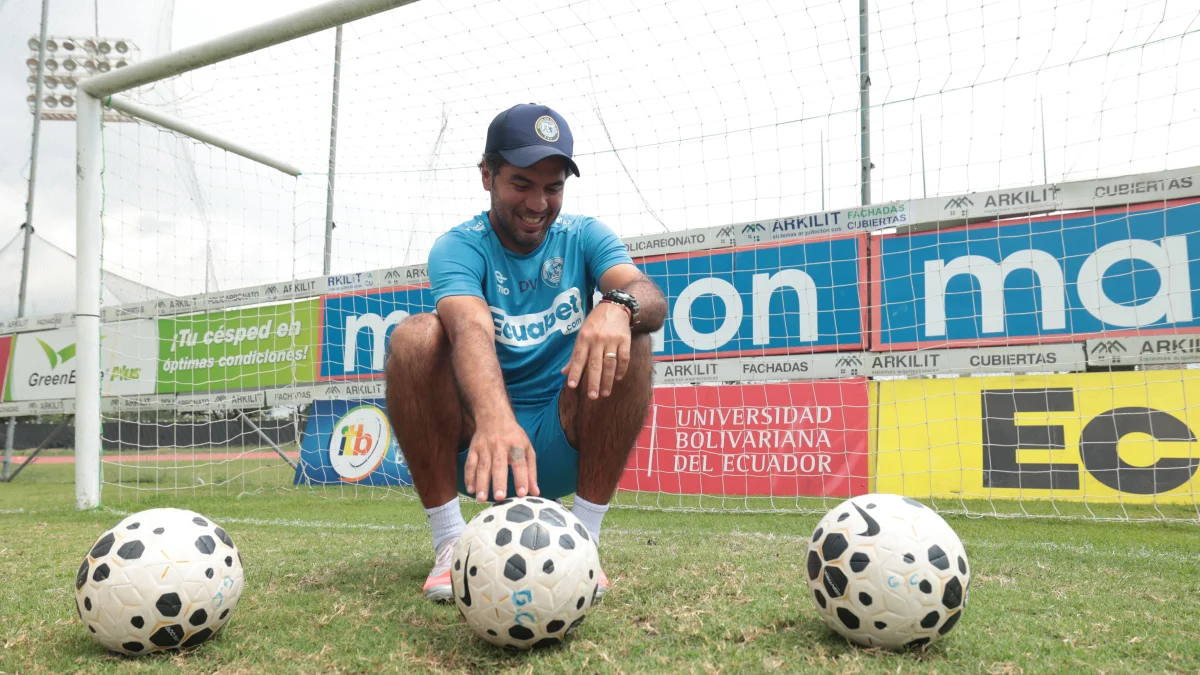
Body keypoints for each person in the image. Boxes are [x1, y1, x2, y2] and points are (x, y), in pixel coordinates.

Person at [384, 103, 666, 602]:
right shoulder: (458, 245)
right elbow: (469, 326)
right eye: (521, 184)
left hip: (562, 443)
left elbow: (649, 296)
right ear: (487, 175)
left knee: (635, 335)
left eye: (552, 187)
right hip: (480, 451)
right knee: (414, 337)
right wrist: (495, 419)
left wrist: (618, 306)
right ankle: (450, 542)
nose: (538, 202)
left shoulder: (584, 234)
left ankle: (584, 541)